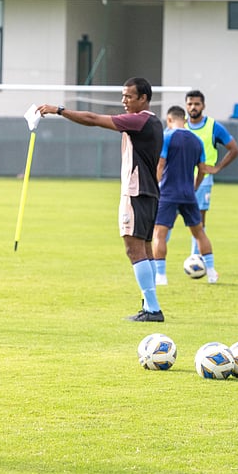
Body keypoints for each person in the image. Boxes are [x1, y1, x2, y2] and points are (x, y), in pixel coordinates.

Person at [37, 78, 165, 322]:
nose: (124, 101)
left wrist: (59, 110)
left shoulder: (139, 121)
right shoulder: (154, 122)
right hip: (149, 193)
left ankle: (152, 309)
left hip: (136, 192)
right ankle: (149, 305)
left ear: (143, 98)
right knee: (145, 250)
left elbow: (93, 119)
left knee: (133, 249)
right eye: (123, 95)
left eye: (129, 96)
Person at [152, 105, 219, 285]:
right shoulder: (197, 141)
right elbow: (202, 169)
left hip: (168, 193)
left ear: (169, 120)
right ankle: (211, 273)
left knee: (159, 233)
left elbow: (160, 165)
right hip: (188, 193)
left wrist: (155, 186)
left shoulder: (167, 137)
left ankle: (160, 276)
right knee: (199, 233)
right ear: (185, 120)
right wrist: (194, 186)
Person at [184, 89, 238, 256]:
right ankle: (157, 262)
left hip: (203, 180)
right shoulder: (181, 125)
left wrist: (218, 167)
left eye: (197, 104)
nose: (193, 107)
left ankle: (196, 258)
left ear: (203, 106)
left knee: (198, 220)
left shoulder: (213, 126)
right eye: (190, 104)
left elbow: (234, 149)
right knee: (165, 221)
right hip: (180, 179)